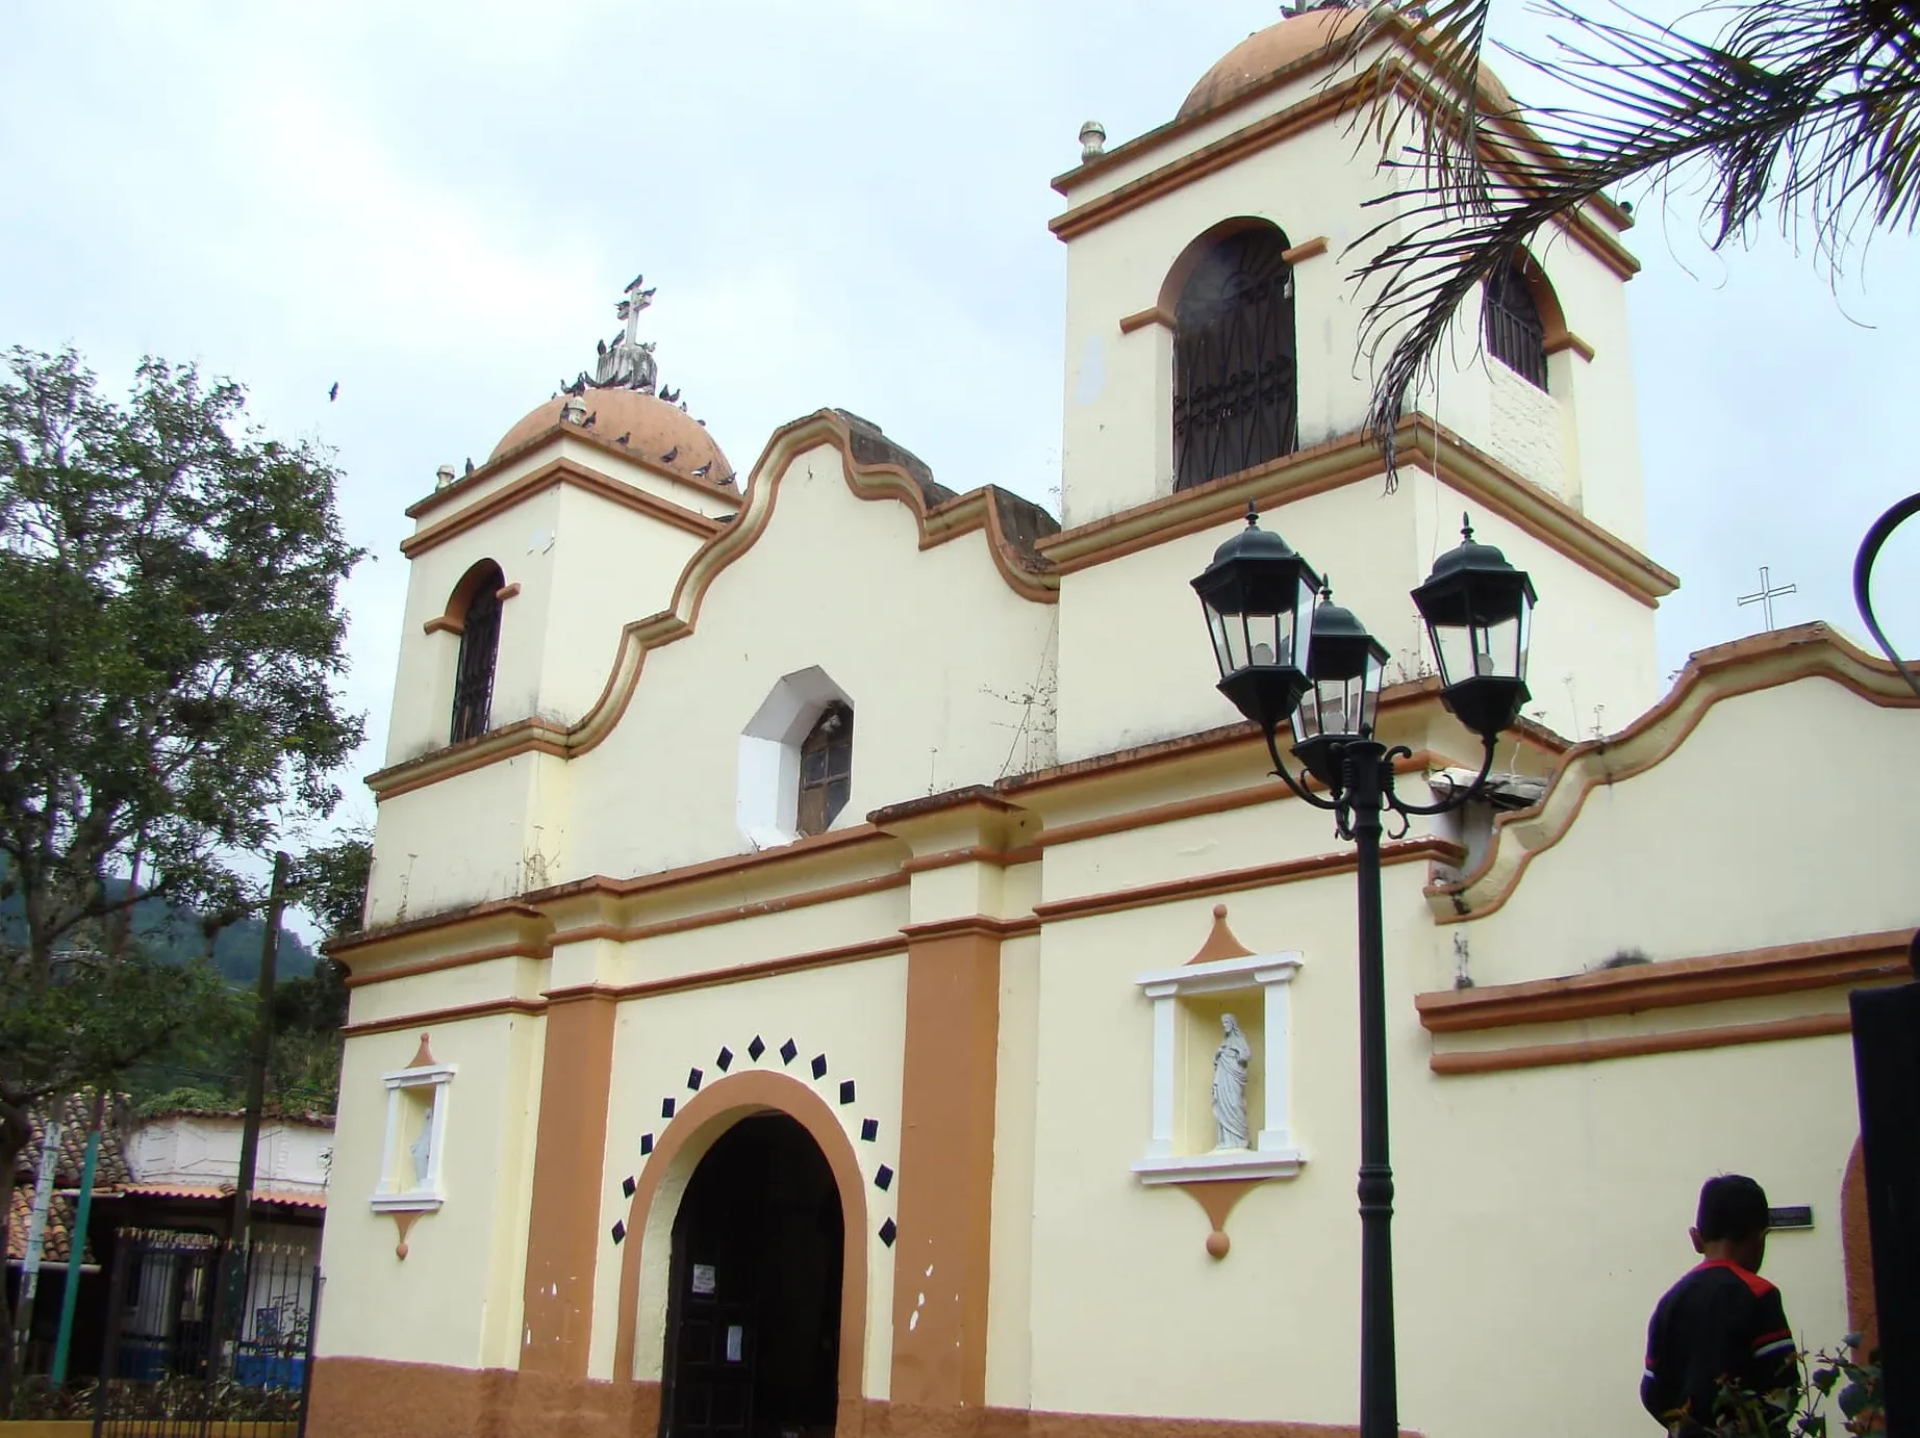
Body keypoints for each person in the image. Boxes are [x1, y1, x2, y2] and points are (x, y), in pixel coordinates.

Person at [1641, 1174, 1798, 1434]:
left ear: (1696, 1238)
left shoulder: (1670, 1301)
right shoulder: (1760, 1294)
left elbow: (1651, 1392)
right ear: (1761, 1238)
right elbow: (1785, 1386)